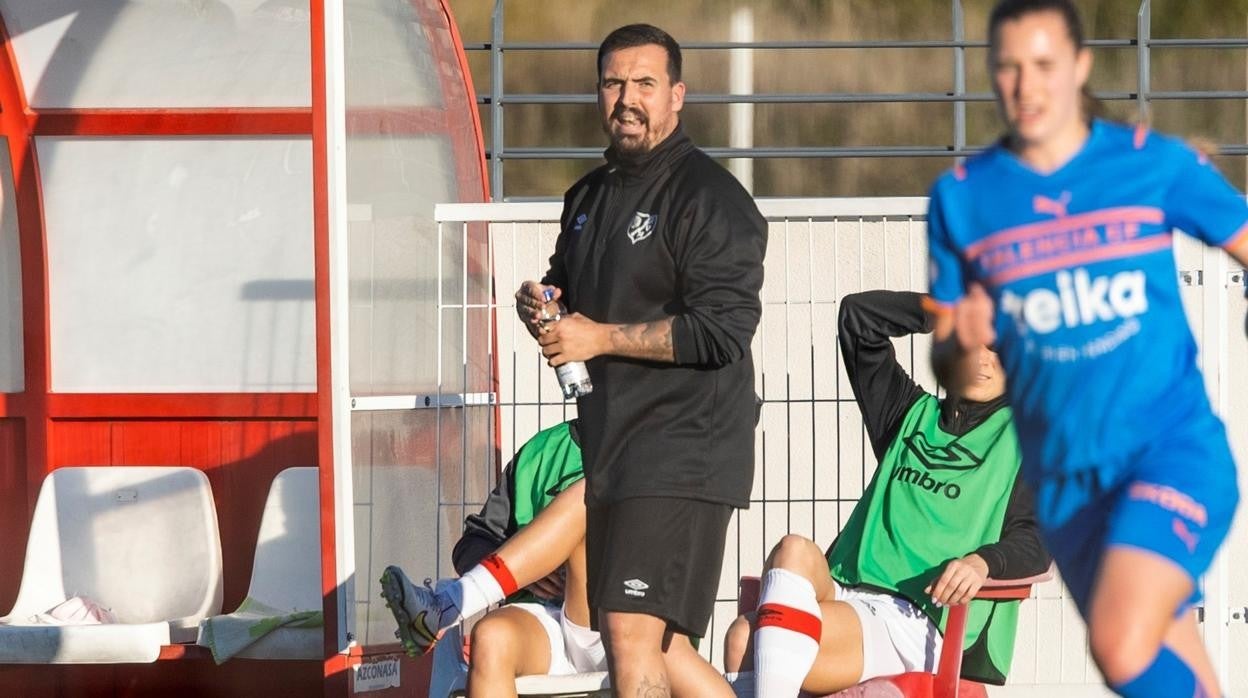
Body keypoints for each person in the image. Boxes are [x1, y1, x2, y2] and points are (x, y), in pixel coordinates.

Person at [925, 1, 1248, 696]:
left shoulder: (1149, 165)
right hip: (1066, 485)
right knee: (1167, 649)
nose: (1026, 86)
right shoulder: (962, 200)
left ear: (1079, 66)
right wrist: (961, 339)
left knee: (1120, 644)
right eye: (1008, 67)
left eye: (1043, 65)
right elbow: (949, 361)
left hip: (1170, 454)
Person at [512, 23, 767, 697]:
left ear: (677, 96)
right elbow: (570, 296)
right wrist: (543, 306)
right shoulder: (587, 199)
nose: (628, 98)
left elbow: (722, 332)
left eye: (645, 83)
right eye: (613, 82)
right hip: (613, 447)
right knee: (657, 645)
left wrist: (599, 338)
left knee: (626, 629)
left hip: (684, 445)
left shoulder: (711, 199)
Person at [721, 290, 1048, 697]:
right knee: (790, 553)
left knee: (745, 640)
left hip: (920, 618)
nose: (982, 358)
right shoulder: (908, 414)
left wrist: (984, 562)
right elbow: (858, 318)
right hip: (848, 590)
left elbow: (1039, 540)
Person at [379, 420, 605, 698]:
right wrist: (528, 567)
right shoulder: (542, 450)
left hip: (628, 619)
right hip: (548, 623)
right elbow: (474, 542)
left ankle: (446, 605)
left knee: (590, 505)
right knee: (491, 637)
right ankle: (446, 607)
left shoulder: (657, 445)